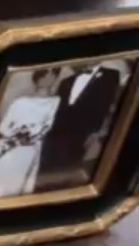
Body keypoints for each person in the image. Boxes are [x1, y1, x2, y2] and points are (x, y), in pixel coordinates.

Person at [0, 70, 61, 203]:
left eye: (52, 75)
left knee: (17, 181)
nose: (48, 79)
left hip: (29, 148)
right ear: (37, 78)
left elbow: (48, 125)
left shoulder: (55, 102)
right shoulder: (20, 102)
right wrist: (15, 136)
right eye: (45, 75)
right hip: (8, 146)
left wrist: (31, 136)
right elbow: (3, 127)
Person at [37, 63, 126, 191]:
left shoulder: (111, 75)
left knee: (72, 169)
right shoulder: (65, 81)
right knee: (49, 168)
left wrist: (98, 131)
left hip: (85, 131)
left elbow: (109, 104)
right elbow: (58, 110)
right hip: (58, 132)